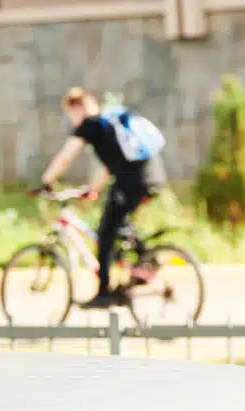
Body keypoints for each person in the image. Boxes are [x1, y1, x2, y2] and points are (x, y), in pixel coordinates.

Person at [37, 88, 168, 309]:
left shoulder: (91, 125)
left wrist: (46, 181)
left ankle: (104, 293)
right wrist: (93, 190)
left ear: (77, 107)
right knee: (119, 224)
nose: (73, 120)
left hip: (132, 181)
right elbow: (111, 165)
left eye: (71, 114)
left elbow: (66, 157)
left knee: (105, 233)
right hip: (151, 177)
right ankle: (145, 260)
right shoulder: (110, 123)